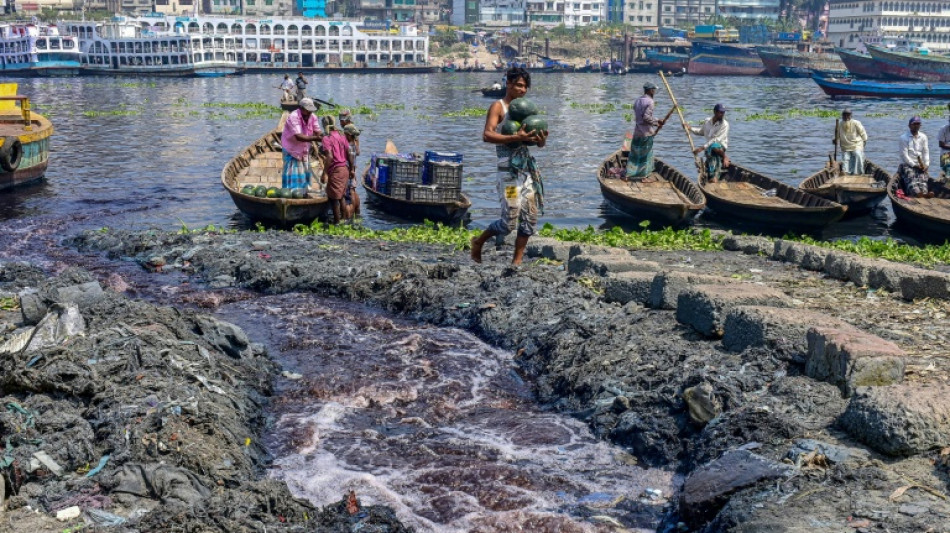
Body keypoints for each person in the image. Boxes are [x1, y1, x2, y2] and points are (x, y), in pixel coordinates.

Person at [470, 67, 548, 266]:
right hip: (508, 173)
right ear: (509, 84)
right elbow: (487, 135)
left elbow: (536, 144)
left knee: (530, 218)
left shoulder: (527, 112)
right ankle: (478, 242)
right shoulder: (499, 107)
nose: (523, 90)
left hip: (525, 172)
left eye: (525, 87)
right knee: (509, 221)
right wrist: (514, 137)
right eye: (519, 85)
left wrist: (540, 140)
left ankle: (517, 263)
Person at [626, 82, 667, 180]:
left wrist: (657, 120)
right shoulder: (650, 102)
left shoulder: (637, 101)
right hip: (646, 133)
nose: (654, 92)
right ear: (650, 90)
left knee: (634, 154)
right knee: (645, 155)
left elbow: (641, 117)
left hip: (637, 132)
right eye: (654, 90)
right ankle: (643, 176)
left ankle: (630, 174)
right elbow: (646, 117)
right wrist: (656, 123)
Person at [280, 97, 323, 190]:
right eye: (308, 111)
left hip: (304, 148)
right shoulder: (293, 116)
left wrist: (324, 137)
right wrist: (316, 138)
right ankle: (290, 192)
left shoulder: (313, 117)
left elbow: (318, 131)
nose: (309, 113)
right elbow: (298, 136)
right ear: (301, 108)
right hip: (291, 148)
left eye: (311, 111)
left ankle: (304, 191)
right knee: (291, 173)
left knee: (304, 172)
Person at [320, 116, 355, 223]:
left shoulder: (327, 138)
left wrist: (324, 173)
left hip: (336, 170)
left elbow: (330, 156)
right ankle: (343, 220)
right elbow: (349, 153)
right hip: (345, 169)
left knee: (334, 199)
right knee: (342, 196)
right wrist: (352, 169)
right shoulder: (342, 136)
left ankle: (337, 222)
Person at [687, 103, 730, 182]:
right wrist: (690, 128)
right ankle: (713, 177)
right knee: (711, 152)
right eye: (720, 112)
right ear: (715, 112)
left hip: (720, 147)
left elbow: (716, 139)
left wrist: (702, 148)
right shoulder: (707, 121)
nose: (722, 114)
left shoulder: (725, 124)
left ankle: (724, 157)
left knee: (714, 145)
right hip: (709, 148)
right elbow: (701, 132)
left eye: (723, 112)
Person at [898, 115, 933, 198]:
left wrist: (926, 164)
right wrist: (914, 165)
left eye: (918, 124)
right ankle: (916, 193)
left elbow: (926, 152)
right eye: (914, 124)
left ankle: (924, 193)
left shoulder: (923, 137)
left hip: (920, 165)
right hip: (908, 165)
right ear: (909, 125)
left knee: (923, 180)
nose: (916, 125)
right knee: (911, 177)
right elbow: (904, 155)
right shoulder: (903, 138)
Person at [836, 108, 868, 175]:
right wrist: (836, 140)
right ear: (842, 116)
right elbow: (837, 135)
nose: (846, 117)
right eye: (844, 115)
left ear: (851, 116)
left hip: (856, 144)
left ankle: (858, 173)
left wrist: (865, 140)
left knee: (857, 155)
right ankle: (846, 173)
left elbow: (862, 132)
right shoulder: (840, 124)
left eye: (848, 115)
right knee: (845, 159)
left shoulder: (856, 123)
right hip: (845, 145)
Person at [341, 124, 361, 220]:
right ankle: (356, 213)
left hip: (348, 172)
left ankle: (347, 217)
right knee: (352, 192)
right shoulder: (354, 144)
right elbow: (357, 153)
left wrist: (351, 170)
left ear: (348, 135)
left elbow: (349, 160)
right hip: (352, 171)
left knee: (347, 196)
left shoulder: (348, 146)